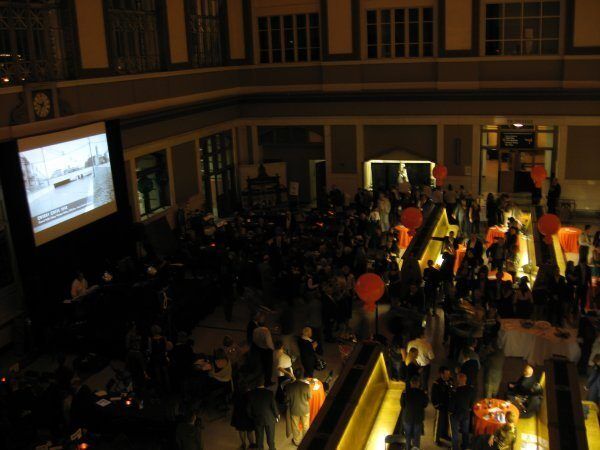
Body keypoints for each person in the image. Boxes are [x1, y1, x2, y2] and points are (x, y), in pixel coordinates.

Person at [284, 367, 312, 446]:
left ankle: (297, 441)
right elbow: (309, 397)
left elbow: (287, 399)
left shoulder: (289, 386)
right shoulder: (306, 386)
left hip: (294, 409)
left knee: (295, 426)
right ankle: (306, 441)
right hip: (305, 410)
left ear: (294, 376)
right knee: (306, 426)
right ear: (302, 376)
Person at [247, 384, 280, 450]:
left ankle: (260, 448)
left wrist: (253, 417)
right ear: (264, 384)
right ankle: (272, 448)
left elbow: (248, 409)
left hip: (257, 419)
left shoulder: (250, 394)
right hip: (269, 418)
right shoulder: (269, 393)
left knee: (259, 437)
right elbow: (274, 406)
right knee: (270, 436)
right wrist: (277, 415)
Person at [400, 375, 429, 450]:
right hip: (418, 418)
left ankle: (407, 448)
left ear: (411, 383)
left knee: (408, 436)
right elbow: (425, 404)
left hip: (407, 418)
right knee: (416, 437)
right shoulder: (422, 393)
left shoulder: (405, 392)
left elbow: (402, 405)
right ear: (418, 383)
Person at [449, 372, 475, 450]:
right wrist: (469, 408)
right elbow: (472, 401)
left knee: (455, 433)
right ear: (465, 380)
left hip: (456, 415)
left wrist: (450, 411)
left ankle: (455, 448)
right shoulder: (470, 389)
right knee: (465, 431)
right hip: (466, 413)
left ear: (458, 380)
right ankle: (464, 446)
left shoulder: (455, 391)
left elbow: (452, 405)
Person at [230, 381, 256, 450]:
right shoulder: (249, 394)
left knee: (241, 430)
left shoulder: (236, 393)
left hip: (238, 414)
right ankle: (251, 444)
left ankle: (243, 444)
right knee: (249, 431)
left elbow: (232, 403)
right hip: (247, 415)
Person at [431, 366, 453, 446]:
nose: (449, 376)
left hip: (448, 406)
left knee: (446, 422)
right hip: (440, 407)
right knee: (438, 423)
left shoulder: (450, 380)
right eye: (447, 374)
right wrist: (437, 406)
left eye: (449, 374)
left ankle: (444, 434)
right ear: (442, 374)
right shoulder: (437, 384)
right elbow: (433, 397)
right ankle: (436, 439)